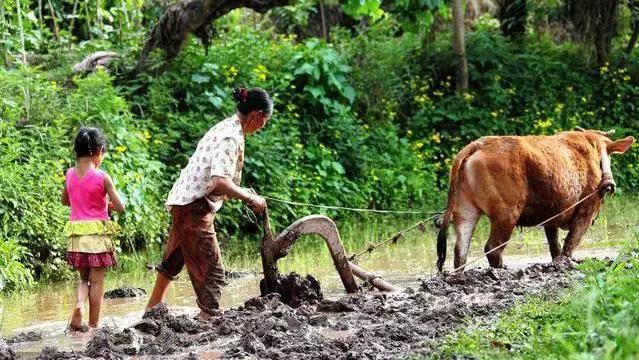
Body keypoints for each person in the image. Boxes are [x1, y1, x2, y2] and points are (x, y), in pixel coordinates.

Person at [145, 87, 271, 319]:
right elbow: (220, 181)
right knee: (213, 273)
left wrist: (244, 192)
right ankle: (208, 322)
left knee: (173, 259)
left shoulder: (226, 126)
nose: (263, 126)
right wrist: (250, 198)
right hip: (194, 206)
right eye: (265, 120)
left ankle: (151, 311)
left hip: (183, 201)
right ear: (257, 114)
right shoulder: (230, 137)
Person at [62, 127, 126, 330]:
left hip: (77, 237)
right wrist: (109, 203)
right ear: (99, 151)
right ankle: (94, 324)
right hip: (97, 237)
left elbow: (65, 200)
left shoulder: (70, 174)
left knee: (84, 279)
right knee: (97, 282)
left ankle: (79, 305)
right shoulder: (102, 177)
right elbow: (122, 207)